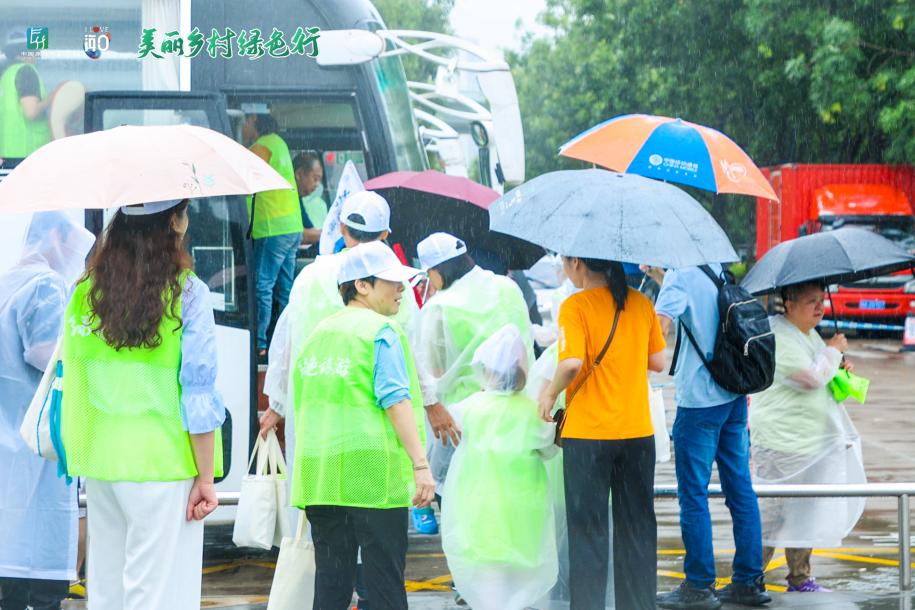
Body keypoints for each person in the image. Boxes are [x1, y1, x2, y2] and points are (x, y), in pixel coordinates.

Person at [59, 199, 225, 610]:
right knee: (157, 594)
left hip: (101, 459)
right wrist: (206, 478)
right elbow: (197, 392)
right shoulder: (187, 293)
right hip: (162, 462)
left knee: (108, 590)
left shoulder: (85, 293)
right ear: (173, 221)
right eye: (184, 214)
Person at [289, 241, 435, 609]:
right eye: (392, 281)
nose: (401, 289)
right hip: (372, 477)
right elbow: (395, 400)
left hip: (322, 477)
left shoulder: (317, 335)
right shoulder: (380, 332)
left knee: (331, 587)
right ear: (362, 286)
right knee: (384, 584)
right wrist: (420, 464)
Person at [537, 256, 665, 610]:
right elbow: (657, 361)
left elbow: (572, 362)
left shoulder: (575, 306)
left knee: (588, 534)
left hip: (589, 437)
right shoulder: (640, 303)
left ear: (576, 262)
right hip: (638, 433)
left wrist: (549, 394)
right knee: (637, 531)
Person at [652, 264, 770, 610]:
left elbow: (659, 329)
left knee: (692, 494)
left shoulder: (679, 273)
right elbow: (704, 308)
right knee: (740, 489)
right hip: (733, 394)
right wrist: (663, 280)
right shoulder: (715, 266)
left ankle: (699, 586)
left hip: (700, 402)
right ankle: (749, 582)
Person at [0, 212, 94, 610]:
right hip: (36, 452)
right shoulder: (45, 286)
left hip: (8, 453)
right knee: (37, 578)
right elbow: (48, 355)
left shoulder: (7, 283)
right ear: (53, 237)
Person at [749, 282, 865, 592]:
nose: (820, 308)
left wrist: (838, 367)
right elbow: (811, 378)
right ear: (788, 303)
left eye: (821, 301)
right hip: (780, 443)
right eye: (811, 301)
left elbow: (823, 372)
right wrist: (833, 351)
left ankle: (799, 577)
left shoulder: (809, 334)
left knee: (805, 513)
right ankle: (749, 578)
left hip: (810, 443)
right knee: (771, 515)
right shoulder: (779, 335)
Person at [441, 324, 557, 610]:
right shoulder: (532, 411)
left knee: (488, 569)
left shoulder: (468, 407)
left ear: (486, 371)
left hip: (479, 503)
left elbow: (450, 432)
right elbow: (548, 447)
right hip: (525, 505)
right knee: (523, 565)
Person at [416, 232, 534, 498]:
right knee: (507, 491)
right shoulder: (506, 287)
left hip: (463, 419)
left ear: (436, 271)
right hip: (516, 408)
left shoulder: (439, 307)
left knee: (461, 491)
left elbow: (433, 370)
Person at [242, 109, 304, 357]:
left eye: (244, 121)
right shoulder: (280, 143)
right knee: (285, 289)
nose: (244, 127)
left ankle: (259, 343)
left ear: (254, 120)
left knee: (262, 285)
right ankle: (288, 340)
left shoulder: (263, 145)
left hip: (272, 227)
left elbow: (245, 177)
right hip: (292, 226)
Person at [0, 29, 52, 159]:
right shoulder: (26, 71)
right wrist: (55, 96)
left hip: (9, 152)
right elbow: (31, 112)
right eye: (35, 50)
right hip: (28, 153)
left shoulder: (6, 75)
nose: (37, 54)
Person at [292, 152, 325, 247]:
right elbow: (302, 235)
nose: (318, 184)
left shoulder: (297, 198)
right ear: (299, 174)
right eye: (315, 178)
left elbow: (309, 228)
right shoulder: (286, 199)